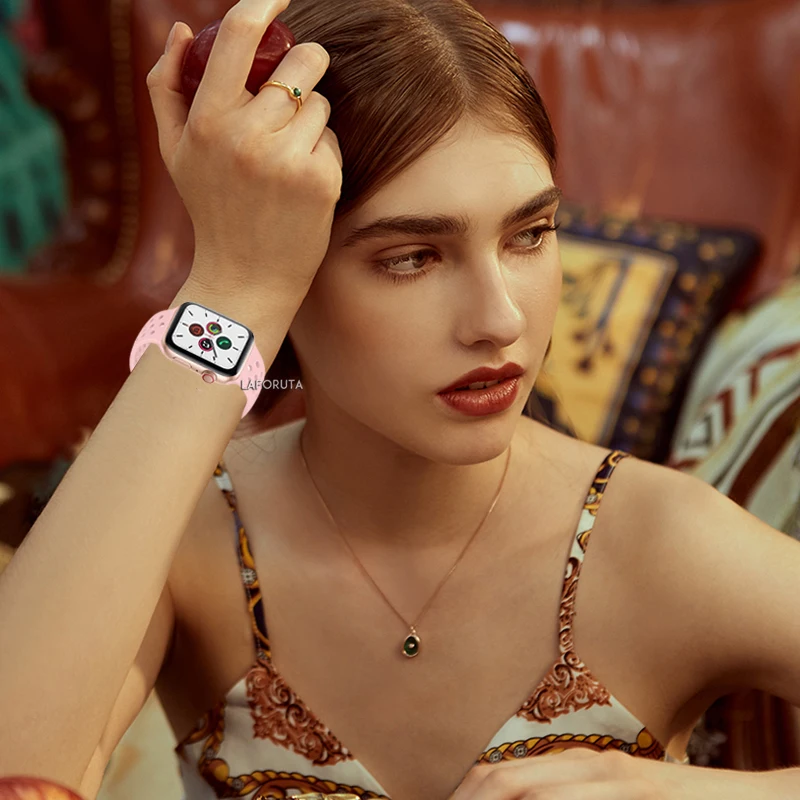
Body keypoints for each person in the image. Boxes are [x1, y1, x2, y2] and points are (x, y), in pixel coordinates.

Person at [2, 0, 800, 798]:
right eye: (413, 257)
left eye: (529, 234)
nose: (500, 320)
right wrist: (230, 292)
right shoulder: (182, 545)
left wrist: (705, 794)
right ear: (289, 269)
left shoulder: (659, 544)